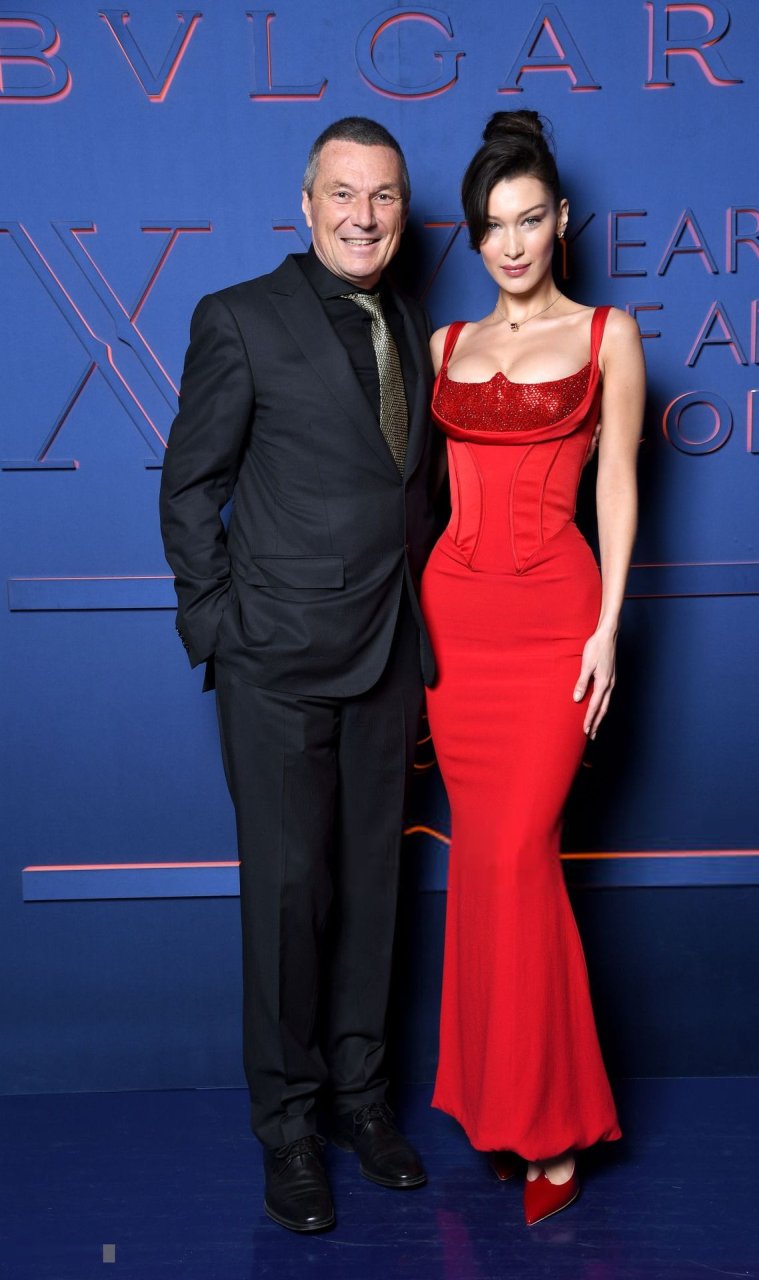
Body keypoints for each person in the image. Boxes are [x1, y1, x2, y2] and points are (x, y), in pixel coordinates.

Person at [159, 117, 445, 1234]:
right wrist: (218, 628)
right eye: (343, 193)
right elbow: (191, 485)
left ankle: (362, 1101)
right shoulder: (238, 317)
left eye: (383, 196)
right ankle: (287, 1129)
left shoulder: (412, 323)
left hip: (389, 654)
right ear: (306, 202)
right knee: (287, 900)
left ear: (401, 208)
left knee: (374, 890)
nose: (363, 216)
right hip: (274, 664)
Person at [421, 110, 645, 1226]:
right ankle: (495, 1105)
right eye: (491, 226)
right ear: (474, 236)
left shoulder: (608, 333)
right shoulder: (443, 347)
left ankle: (552, 1123)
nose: (510, 244)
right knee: (482, 864)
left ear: (561, 220)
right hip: (453, 631)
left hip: (555, 625)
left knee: (520, 857)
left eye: (527, 220)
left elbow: (618, 483)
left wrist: (607, 626)